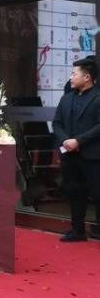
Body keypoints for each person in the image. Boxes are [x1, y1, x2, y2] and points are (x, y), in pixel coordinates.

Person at [53, 57, 100, 242]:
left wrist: (78, 141)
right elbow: (57, 123)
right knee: (74, 192)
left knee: (97, 193)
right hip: (70, 156)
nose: (71, 77)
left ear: (87, 77)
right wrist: (65, 140)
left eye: (74, 74)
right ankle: (77, 230)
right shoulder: (66, 98)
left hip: (93, 155)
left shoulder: (98, 97)